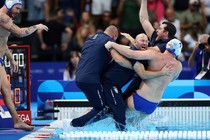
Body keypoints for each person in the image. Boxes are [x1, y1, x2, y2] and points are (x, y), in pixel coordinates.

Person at [101, 33, 172, 130]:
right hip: (143, 93)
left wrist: (113, 45)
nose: (145, 43)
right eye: (143, 41)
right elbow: (127, 60)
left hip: (139, 87)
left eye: (147, 41)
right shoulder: (141, 53)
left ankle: (115, 125)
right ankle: (91, 118)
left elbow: (130, 55)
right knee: (118, 109)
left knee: (118, 109)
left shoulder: (149, 52)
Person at [0, 0, 48, 131]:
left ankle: (17, 121)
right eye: (16, 8)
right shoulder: (1, 17)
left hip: (0, 60)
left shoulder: (5, 18)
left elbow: (2, 43)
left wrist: (11, 59)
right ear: (9, 6)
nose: (18, 11)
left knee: (6, 90)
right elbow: (20, 33)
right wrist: (36, 27)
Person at [122, 0, 177, 100]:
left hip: (152, 78)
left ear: (166, 34)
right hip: (144, 72)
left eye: (160, 28)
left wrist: (131, 39)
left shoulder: (167, 45)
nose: (156, 29)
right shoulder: (157, 37)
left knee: (126, 99)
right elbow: (144, 20)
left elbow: (144, 50)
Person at [71, 25, 118, 127]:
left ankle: (84, 123)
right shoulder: (110, 41)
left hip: (79, 77)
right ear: (114, 36)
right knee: (103, 108)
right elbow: (118, 58)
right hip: (90, 80)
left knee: (98, 105)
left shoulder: (89, 39)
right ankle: (76, 124)